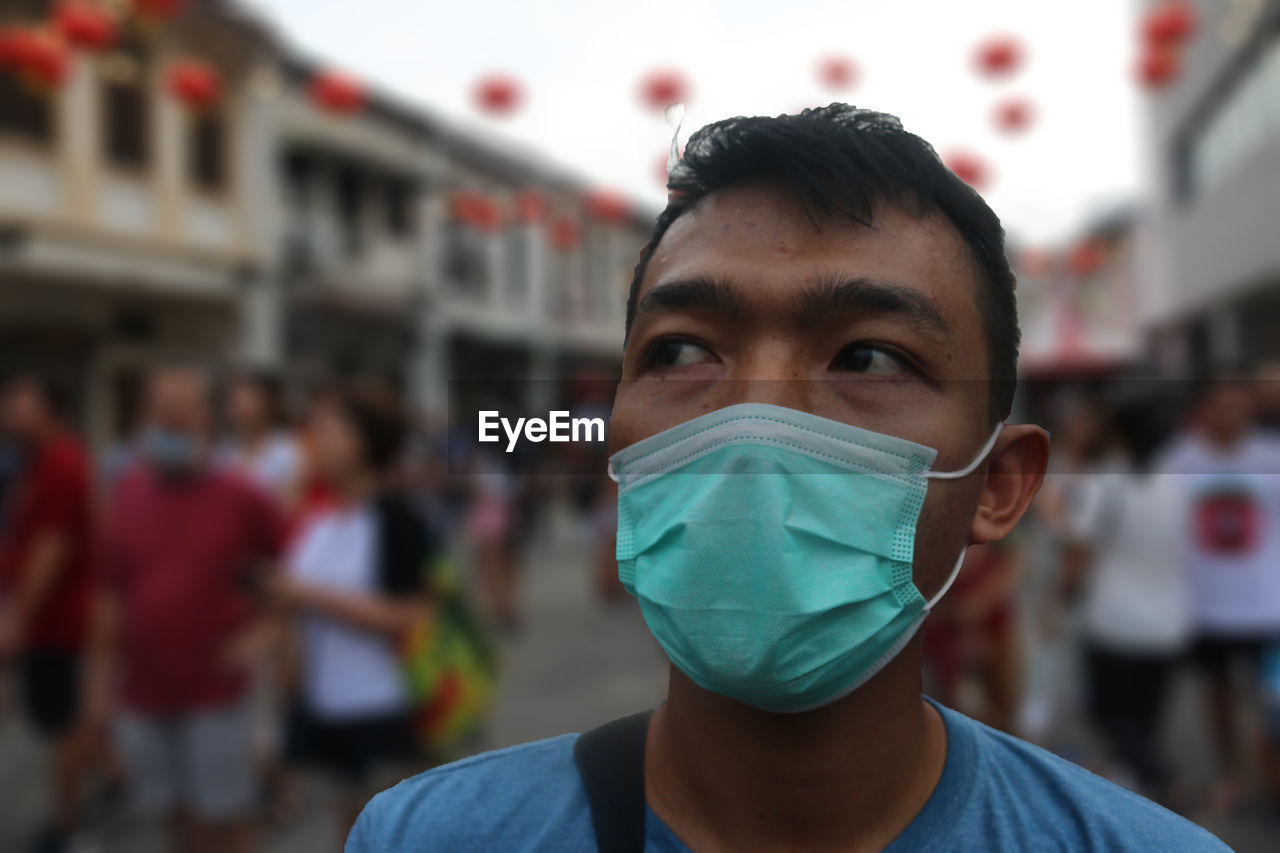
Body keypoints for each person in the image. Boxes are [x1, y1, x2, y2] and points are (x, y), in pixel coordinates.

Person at [348, 105, 1227, 851]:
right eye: (682, 349)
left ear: (998, 483)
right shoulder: (425, 834)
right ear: (617, 441)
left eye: (869, 355)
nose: (755, 424)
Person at [87, 366, 284, 853]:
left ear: (206, 420)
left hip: (216, 692)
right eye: (161, 411)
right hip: (145, 691)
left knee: (227, 819)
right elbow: (112, 592)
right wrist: (96, 687)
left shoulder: (243, 496)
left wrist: (265, 631)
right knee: (174, 814)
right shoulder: (129, 492)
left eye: (183, 412)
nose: (171, 423)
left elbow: (292, 572)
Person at [267, 387, 432, 841]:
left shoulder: (396, 519)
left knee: (382, 832)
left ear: (365, 442)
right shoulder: (316, 518)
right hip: (322, 706)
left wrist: (311, 595)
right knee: (347, 830)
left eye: (333, 430)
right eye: (317, 430)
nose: (320, 441)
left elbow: (411, 615)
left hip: (381, 706)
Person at [1163, 370, 1280, 814]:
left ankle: (1271, 779)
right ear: (1204, 409)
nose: (1231, 413)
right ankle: (1231, 775)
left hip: (1269, 606)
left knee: (1270, 700)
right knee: (1218, 694)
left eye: (1239, 403)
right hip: (1207, 607)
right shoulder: (1178, 461)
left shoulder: (1272, 455)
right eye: (1221, 404)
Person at [1061, 401, 1192, 800]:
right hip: (1168, 622)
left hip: (1111, 622)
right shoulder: (1181, 483)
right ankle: (1137, 791)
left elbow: (1078, 556)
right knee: (1145, 718)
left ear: (1117, 436)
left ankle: (1165, 779)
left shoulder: (1101, 484)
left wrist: (1064, 596)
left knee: (1106, 713)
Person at [0, 375, 97, 853]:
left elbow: (51, 548)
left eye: (19, 407)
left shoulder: (60, 463)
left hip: (59, 623)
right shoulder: (36, 463)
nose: (9, 416)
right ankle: (119, 777)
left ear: (49, 410)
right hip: (44, 621)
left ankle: (68, 823)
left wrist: (16, 616)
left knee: (64, 724)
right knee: (63, 718)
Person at [217, 370, 303, 511]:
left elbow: (291, 505)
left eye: (249, 398)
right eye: (236, 400)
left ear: (267, 403)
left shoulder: (287, 449)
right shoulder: (222, 452)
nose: (241, 406)